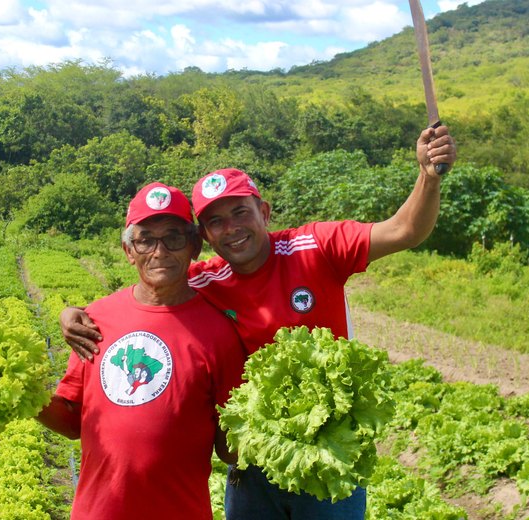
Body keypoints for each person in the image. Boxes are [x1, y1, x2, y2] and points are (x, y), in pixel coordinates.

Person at [61, 125, 456, 519]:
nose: (231, 229)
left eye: (240, 213)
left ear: (263, 212)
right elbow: (151, 293)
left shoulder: (315, 248)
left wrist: (428, 176)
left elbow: (405, 230)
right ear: (206, 237)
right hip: (250, 466)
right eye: (216, 221)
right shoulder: (204, 279)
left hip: (327, 453)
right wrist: (75, 314)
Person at [37, 182, 247, 520]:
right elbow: (73, 422)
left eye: (174, 237)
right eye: (145, 239)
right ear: (128, 250)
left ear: (194, 246)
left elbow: (228, 448)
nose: (159, 251)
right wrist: (26, 396)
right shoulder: (95, 320)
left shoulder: (220, 331)